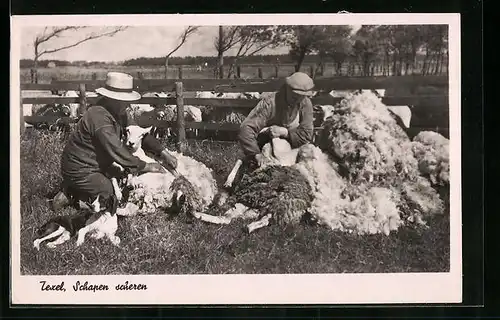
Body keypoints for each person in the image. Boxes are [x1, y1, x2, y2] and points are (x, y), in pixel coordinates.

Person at [53, 72, 178, 211]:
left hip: (97, 164)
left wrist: (163, 152)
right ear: (111, 99)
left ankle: (80, 188)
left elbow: (138, 132)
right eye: (123, 100)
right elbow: (116, 149)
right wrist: (145, 166)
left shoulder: (119, 112)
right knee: (111, 197)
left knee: (121, 184)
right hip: (81, 168)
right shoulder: (99, 117)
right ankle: (72, 196)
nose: (127, 104)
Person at [237, 72, 315, 168]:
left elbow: (306, 134)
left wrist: (285, 132)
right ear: (287, 88)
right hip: (265, 150)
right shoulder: (270, 103)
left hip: (293, 151)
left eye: (302, 96)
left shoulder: (305, 104)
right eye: (295, 95)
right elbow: (246, 129)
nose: (298, 99)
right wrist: (256, 154)